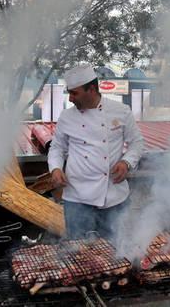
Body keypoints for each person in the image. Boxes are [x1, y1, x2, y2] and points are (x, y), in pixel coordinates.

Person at [48, 64, 144, 240]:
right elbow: (57, 148)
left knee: (115, 251)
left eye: (74, 93)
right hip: (77, 197)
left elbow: (137, 143)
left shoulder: (121, 111)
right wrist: (55, 168)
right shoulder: (66, 117)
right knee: (78, 252)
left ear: (91, 89)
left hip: (114, 196)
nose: (70, 99)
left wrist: (126, 162)